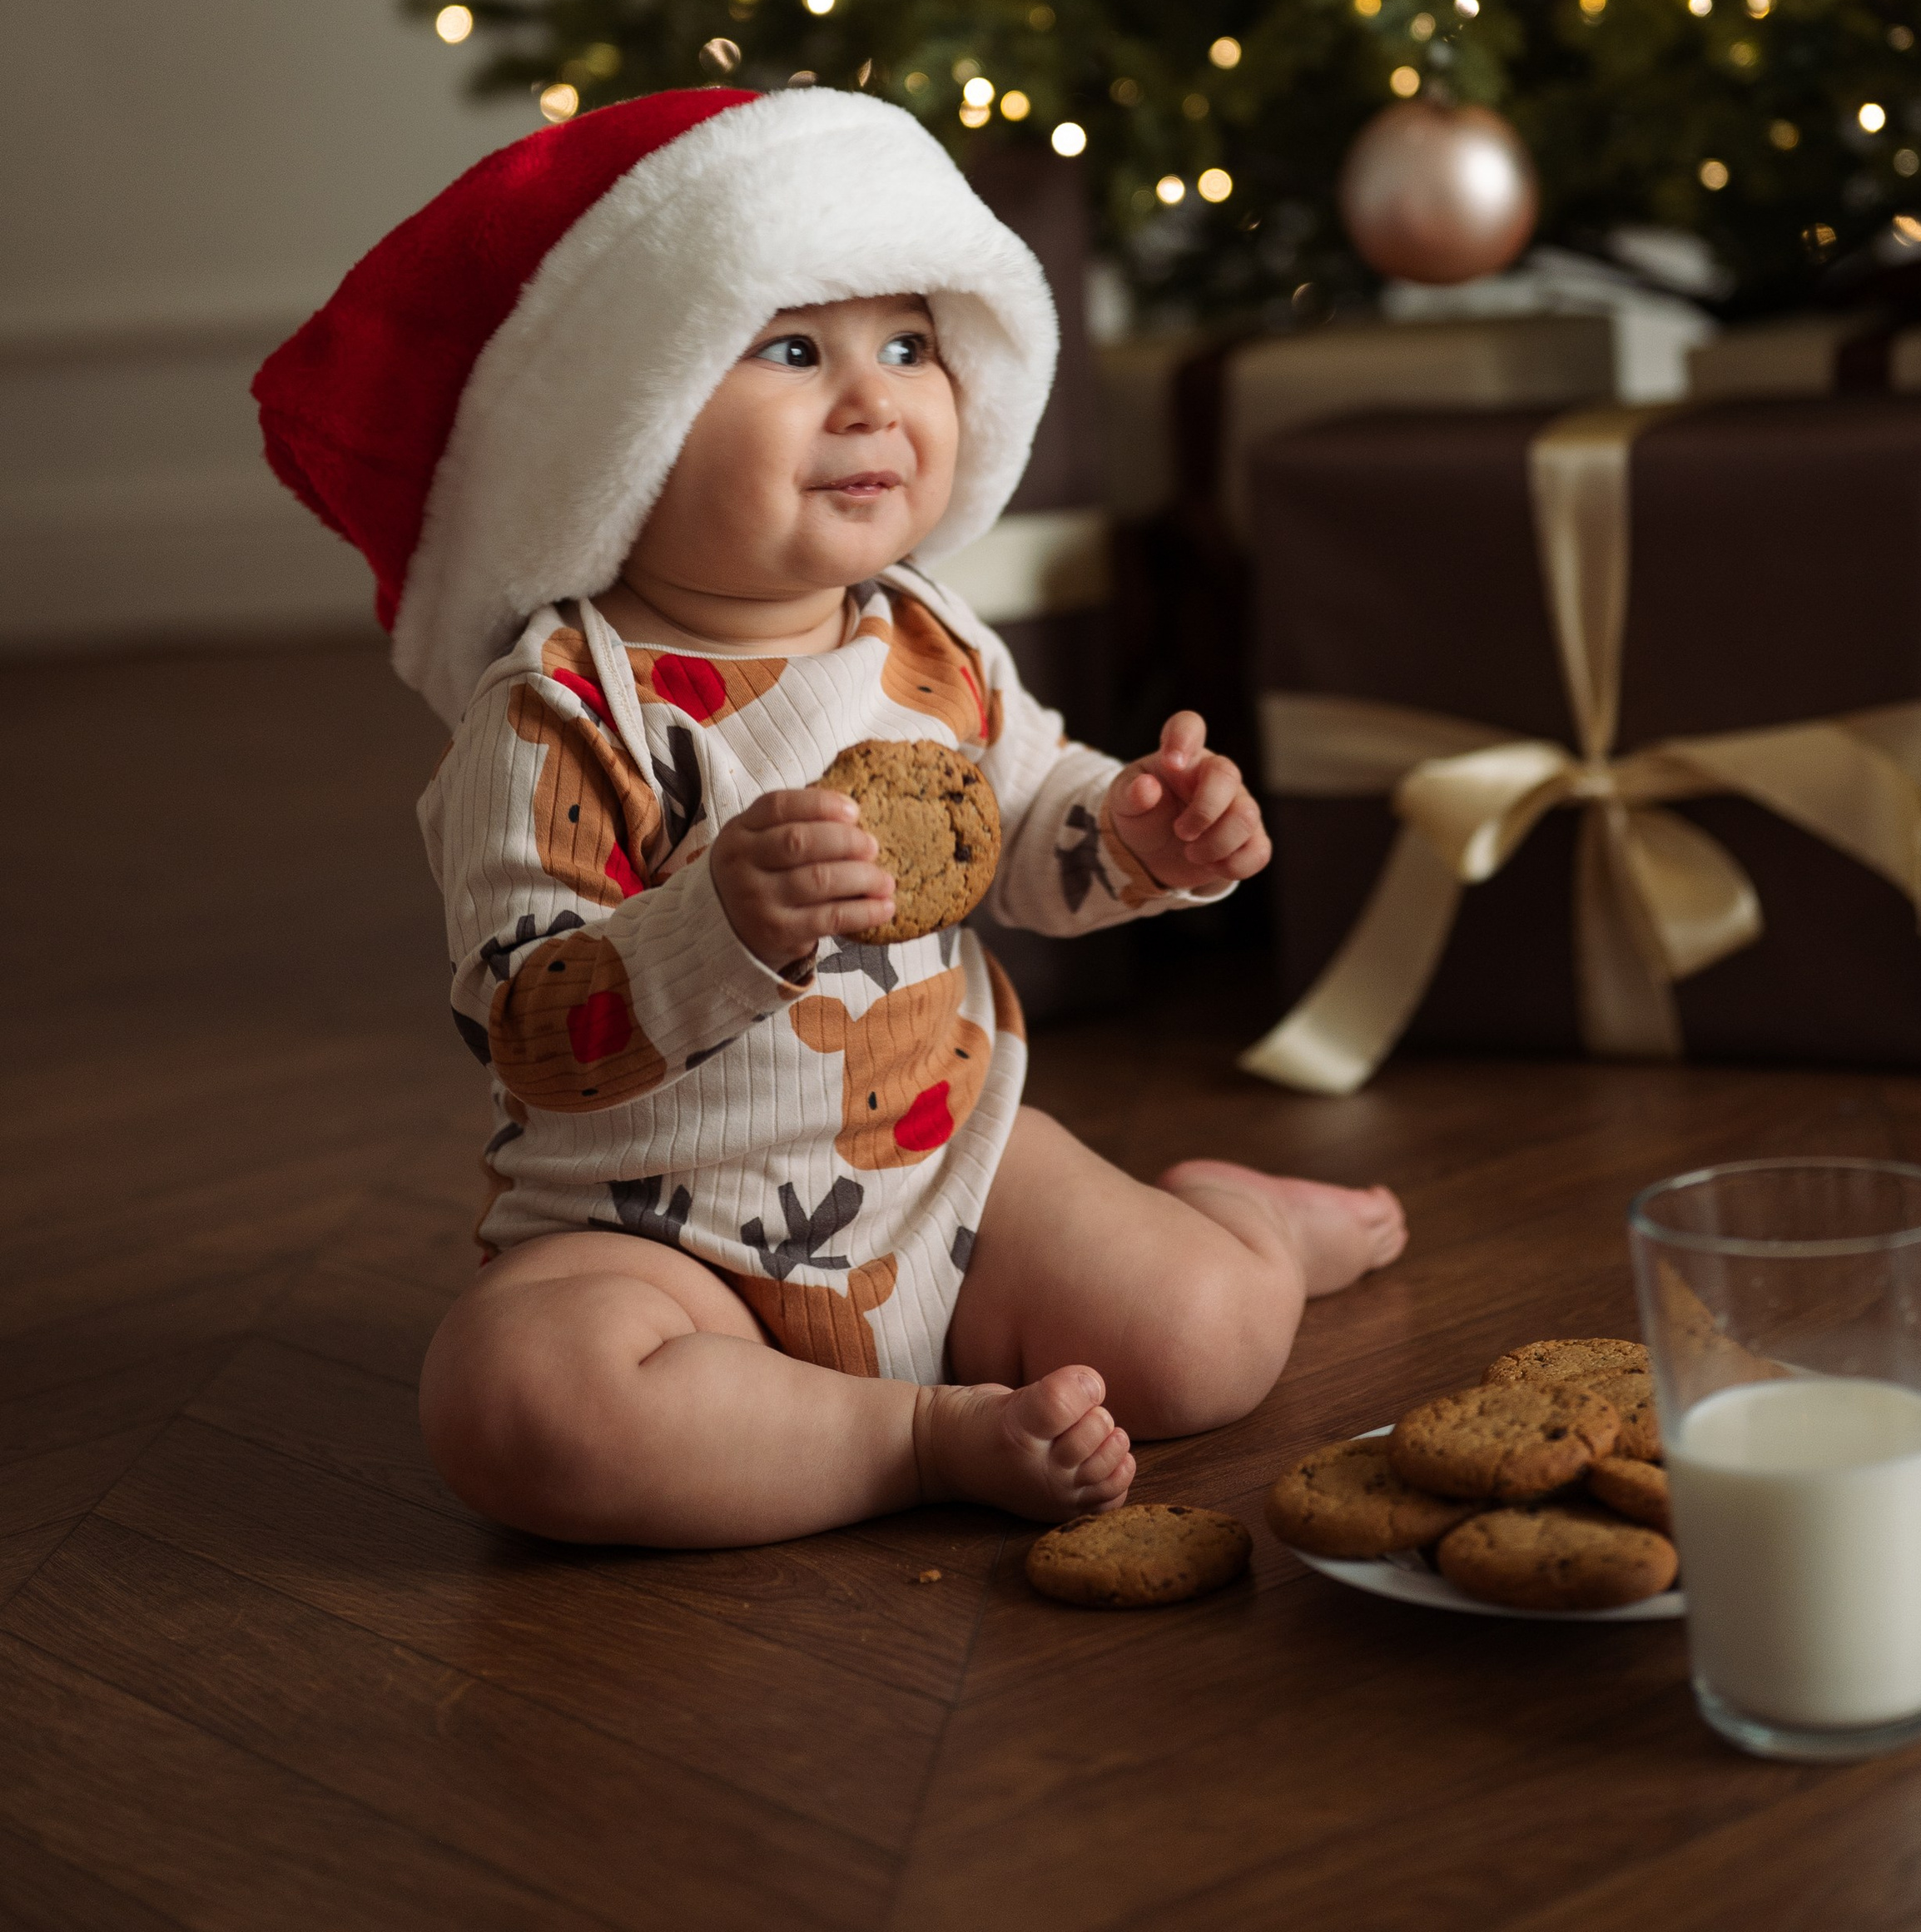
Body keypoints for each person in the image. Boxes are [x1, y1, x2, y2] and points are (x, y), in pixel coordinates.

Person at [256, 86, 1405, 1548]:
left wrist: (1131, 835)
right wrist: (714, 923)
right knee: (520, 1401)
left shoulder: (927, 639)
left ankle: (1250, 1230)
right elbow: (526, 1029)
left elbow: (1025, 818)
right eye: (795, 349)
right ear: (629, 420)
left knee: (1205, 1340)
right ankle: (920, 1440)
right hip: (657, 1237)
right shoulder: (557, 716)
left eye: (910, 345)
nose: (874, 398)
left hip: (942, 1171)